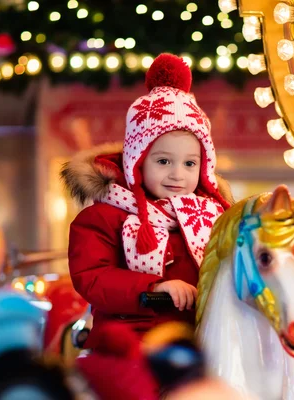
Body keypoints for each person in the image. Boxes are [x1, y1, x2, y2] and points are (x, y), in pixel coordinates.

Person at [61, 53, 233, 349]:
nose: (177, 174)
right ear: (137, 162)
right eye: (164, 161)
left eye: (190, 164)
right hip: (133, 342)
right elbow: (93, 276)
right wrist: (154, 287)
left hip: (204, 342)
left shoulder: (213, 216)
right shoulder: (105, 216)